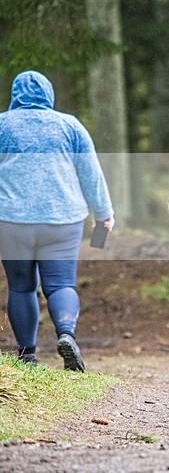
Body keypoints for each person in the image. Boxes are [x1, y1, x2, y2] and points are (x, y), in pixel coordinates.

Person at [0, 70, 114, 371]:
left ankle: (27, 356)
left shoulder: (1, 125)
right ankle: (66, 334)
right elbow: (91, 173)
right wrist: (103, 214)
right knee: (61, 283)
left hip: (12, 220)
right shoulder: (69, 125)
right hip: (62, 219)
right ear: (49, 95)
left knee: (21, 287)